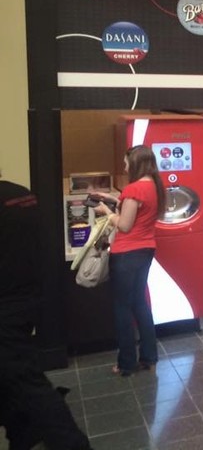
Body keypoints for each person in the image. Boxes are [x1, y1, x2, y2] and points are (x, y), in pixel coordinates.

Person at [0, 179, 93, 449]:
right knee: (14, 377)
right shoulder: (22, 194)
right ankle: (23, 434)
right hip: (28, 295)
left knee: (26, 381)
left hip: (6, 304)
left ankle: (72, 443)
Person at [93, 145, 165, 376]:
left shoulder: (133, 189)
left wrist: (107, 211)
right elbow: (138, 210)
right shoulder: (155, 186)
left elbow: (124, 225)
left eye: (126, 163)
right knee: (140, 304)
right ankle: (149, 358)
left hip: (126, 254)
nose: (124, 168)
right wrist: (114, 199)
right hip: (146, 251)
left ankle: (126, 363)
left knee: (122, 309)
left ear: (135, 164)